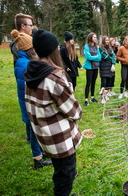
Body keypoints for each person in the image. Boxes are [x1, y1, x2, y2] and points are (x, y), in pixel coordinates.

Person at [24, 29, 82, 196]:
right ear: (53, 50)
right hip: (60, 139)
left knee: (60, 170)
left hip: (44, 136)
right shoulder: (54, 78)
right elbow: (73, 110)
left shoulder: (30, 73)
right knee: (67, 174)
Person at [10, 29, 52, 169]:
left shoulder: (21, 61)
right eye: (33, 48)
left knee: (35, 129)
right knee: (35, 131)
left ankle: (40, 152)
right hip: (29, 103)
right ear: (29, 49)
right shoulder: (26, 64)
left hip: (26, 102)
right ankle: (38, 160)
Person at [10, 13, 34, 142]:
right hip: (23, 75)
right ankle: (30, 137)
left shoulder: (26, 39)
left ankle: (30, 136)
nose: (32, 27)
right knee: (27, 106)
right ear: (23, 26)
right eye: (30, 25)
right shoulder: (18, 42)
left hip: (23, 73)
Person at [83, 32, 102, 106]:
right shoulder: (86, 46)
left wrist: (95, 57)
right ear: (90, 38)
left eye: (96, 37)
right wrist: (96, 57)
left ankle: (92, 97)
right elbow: (88, 57)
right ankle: (86, 100)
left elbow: (100, 57)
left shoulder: (96, 47)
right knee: (88, 83)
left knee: (94, 82)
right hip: (89, 67)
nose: (95, 38)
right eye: (94, 37)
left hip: (96, 67)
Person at [99, 36, 116, 103]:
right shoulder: (101, 48)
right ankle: (102, 98)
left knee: (108, 83)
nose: (107, 41)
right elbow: (106, 57)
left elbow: (114, 56)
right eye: (106, 40)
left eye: (108, 40)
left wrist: (113, 64)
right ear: (103, 41)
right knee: (104, 83)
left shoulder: (110, 48)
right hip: (103, 67)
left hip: (109, 67)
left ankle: (105, 95)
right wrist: (112, 59)